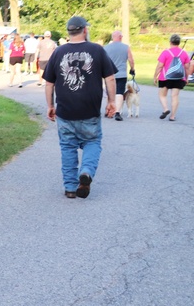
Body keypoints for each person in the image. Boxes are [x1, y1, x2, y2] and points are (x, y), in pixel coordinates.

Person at [42, 16, 117, 199]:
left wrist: (50, 105)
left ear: (69, 32)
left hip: (65, 112)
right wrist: (111, 101)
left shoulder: (58, 52)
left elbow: (49, 83)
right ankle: (86, 172)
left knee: (68, 147)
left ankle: (70, 188)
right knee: (92, 142)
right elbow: (110, 78)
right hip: (90, 111)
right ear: (85, 30)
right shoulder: (97, 50)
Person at [155, 33, 191, 121]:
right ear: (179, 42)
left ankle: (166, 109)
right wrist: (187, 78)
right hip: (179, 78)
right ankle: (172, 116)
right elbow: (187, 67)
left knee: (162, 95)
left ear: (170, 42)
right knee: (175, 96)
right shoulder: (184, 53)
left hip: (165, 78)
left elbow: (160, 66)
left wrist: (155, 76)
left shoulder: (165, 52)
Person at [104, 30, 136, 121]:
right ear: (120, 37)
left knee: (110, 92)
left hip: (109, 74)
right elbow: (131, 60)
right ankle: (117, 112)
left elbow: (103, 60)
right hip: (121, 74)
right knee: (119, 93)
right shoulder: (126, 47)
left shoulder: (106, 48)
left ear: (112, 37)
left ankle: (108, 111)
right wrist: (132, 69)